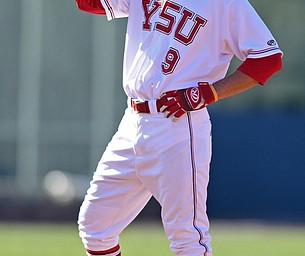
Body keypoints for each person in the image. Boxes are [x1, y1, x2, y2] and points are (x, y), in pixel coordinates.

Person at [75, 0, 282, 255]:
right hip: (132, 121)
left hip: (179, 125)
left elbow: (268, 59)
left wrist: (211, 93)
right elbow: (89, 3)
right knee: (96, 227)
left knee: (187, 239)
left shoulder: (227, 3)